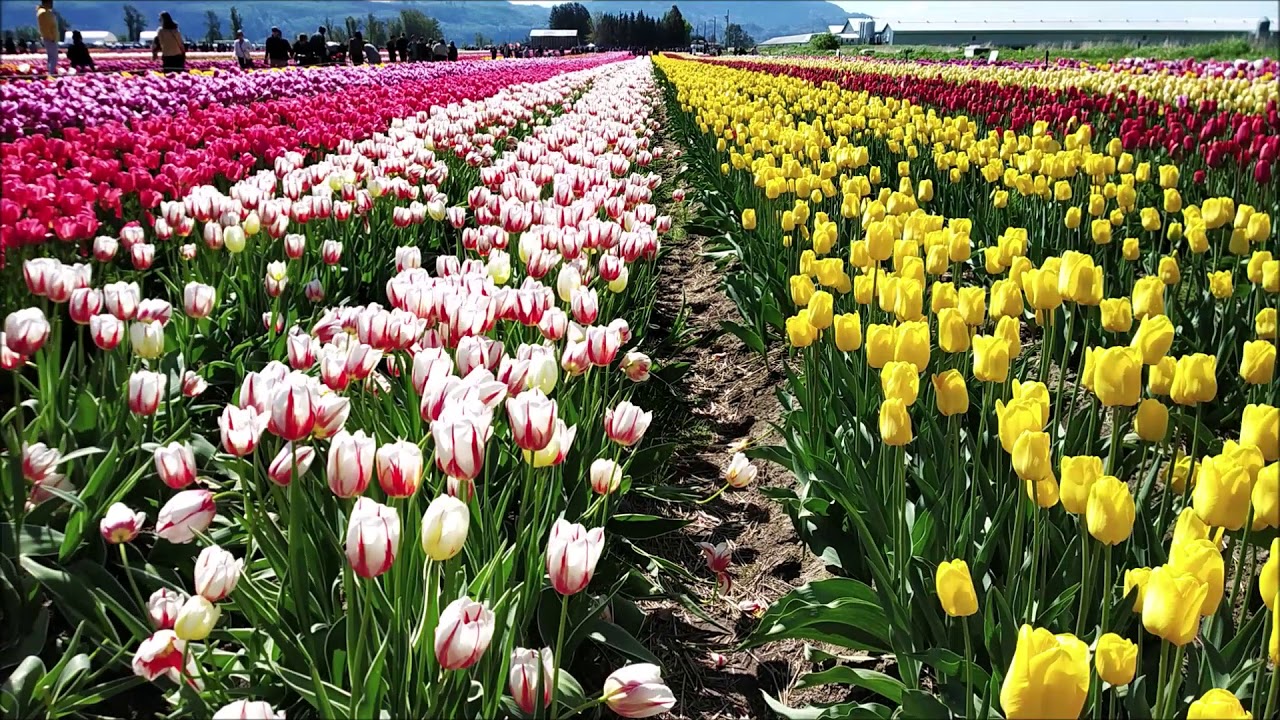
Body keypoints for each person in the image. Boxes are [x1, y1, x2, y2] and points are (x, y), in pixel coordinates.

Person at [37, 0, 58, 76]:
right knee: (54, 57)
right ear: (46, 3)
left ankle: (50, 73)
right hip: (49, 38)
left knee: (51, 57)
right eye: (50, 3)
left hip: (49, 37)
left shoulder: (45, 12)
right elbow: (45, 27)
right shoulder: (44, 13)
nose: (52, 4)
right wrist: (51, 37)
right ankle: (50, 74)